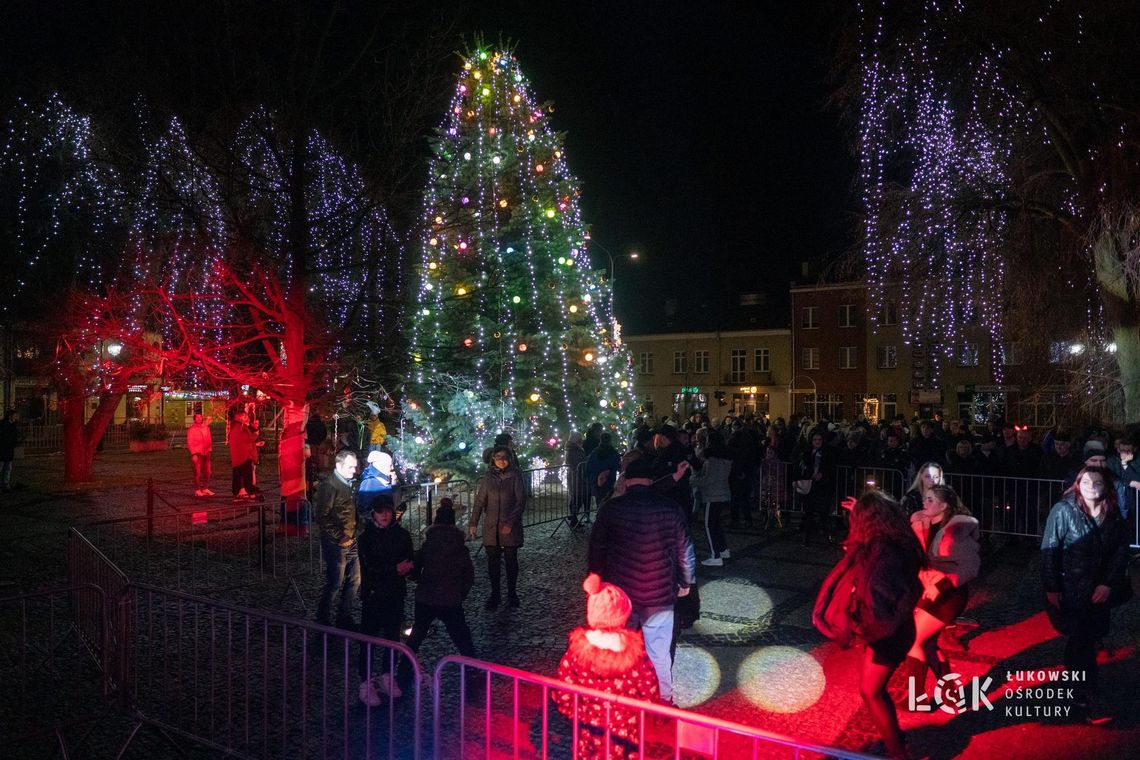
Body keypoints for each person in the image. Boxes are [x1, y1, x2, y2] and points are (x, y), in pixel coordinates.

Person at [588, 458, 696, 706]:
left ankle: (615, 697)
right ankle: (664, 699)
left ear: (626, 480)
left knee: (619, 647)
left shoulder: (612, 509)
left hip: (622, 595)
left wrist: (596, 580)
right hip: (659, 595)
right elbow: (685, 550)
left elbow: (597, 549)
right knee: (659, 652)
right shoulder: (670, 509)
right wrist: (686, 582)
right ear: (651, 480)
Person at [831, 492, 924, 759]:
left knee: (870, 691)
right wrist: (857, 512)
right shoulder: (899, 540)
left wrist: (864, 627)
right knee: (874, 689)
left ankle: (897, 751)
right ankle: (895, 739)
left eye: (860, 519)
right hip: (898, 627)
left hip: (888, 631)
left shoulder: (883, 554)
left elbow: (878, 595)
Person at [1042, 466, 1132, 724]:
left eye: (1097, 482)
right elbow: (1050, 550)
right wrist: (1051, 587)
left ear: (1106, 487)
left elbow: (1120, 551)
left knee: (1087, 637)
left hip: (1099, 591)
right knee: (1082, 640)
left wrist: (1108, 583)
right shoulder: (1063, 511)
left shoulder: (1112, 514)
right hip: (1070, 588)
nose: (1091, 486)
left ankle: (1080, 687)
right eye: (1086, 481)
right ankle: (1085, 695)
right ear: (1077, 484)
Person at [552, 573, 659, 759]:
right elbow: (650, 691)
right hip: (625, 732)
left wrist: (574, 714)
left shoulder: (576, 654)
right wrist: (638, 715)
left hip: (588, 730)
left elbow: (563, 692)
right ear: (623, 617)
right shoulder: (636, 656)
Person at [901, 484, 980, 691]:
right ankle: (951, 693)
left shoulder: (957, 531)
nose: (924, 503)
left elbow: (970, 568)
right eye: (924, 499)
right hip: (928, 590)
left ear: (944, 505)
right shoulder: (921, 524)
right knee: (927, 643)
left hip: (949, 594)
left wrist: (942, 583)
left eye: (930, 500)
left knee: (914, 639)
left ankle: (915, 698)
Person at [398, 503, 476, 690]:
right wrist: (460, 593)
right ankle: (473, 668)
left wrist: (415, 577)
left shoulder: (428, 545)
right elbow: (469, 574)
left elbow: (415, 568)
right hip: (450, 600)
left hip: (427, 597)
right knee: (461, 636)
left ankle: (404, 668)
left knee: (417, 635)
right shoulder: (460, 547)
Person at [357, 497, 414, 706]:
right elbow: (369, 568)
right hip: (373, 596)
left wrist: (410, 569)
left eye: (387, 510)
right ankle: (365, 681)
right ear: (373, 513)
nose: (384, 514)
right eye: (380, 511)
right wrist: (394, 570)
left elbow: (409, 560)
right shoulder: (366, 539)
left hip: (395, 594)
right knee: (368, 639)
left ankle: (387, 675)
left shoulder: (402, 535)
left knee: (392, 637)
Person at [470, 446, 526, 609]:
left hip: (509, 526)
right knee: (492, 562)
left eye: (505, 456)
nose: (502, 460)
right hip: (491, 526)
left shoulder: (515, 476)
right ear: (493, 459)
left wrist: (510, 522)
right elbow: (480, 501)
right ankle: (495, 594)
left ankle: (512, 593)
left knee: (510, 560)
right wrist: (473, 522)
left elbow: (520, 501)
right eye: (498, 456)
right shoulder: (488, 478)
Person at [314, 449, 361, 629]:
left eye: (355, 467)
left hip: (350, 538)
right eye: (350, 467)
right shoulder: (330, 486)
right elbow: (321, 516)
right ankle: (323, 617)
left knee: (355, 579)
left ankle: (344, 616)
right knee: (335, 581)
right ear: (338, 466)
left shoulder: (347, 483)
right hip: (337, 542)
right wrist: (339, 536)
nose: (354, 471)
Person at [690, 431, 732, 566]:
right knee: (716, 524)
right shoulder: (725, 459)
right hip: (722, 494)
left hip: (713, 495)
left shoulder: (713, 461)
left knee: (709, 525)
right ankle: (723, 549)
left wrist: (693, 480)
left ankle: (715, 555)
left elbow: (709, 479)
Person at [796, 431, 836, 546]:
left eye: (819, 440)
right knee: (809, 512)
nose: (817, 442)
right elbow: (801, 466)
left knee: (824, 512)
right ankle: (807, 537)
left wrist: (822, 474)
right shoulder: (807, 453)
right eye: (815, 440)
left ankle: (826, 535)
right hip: (810, 485)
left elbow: (831, 468)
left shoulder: (827, 453)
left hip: (823, 486)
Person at [584, 432, 620, 513]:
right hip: (609, 479)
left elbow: (589, 465)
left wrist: (587, 475)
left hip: (596, 480)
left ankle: (600, 517)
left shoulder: (595, 452)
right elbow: (617, 465)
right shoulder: (613, 453)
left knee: (599, 500)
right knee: (608, 499)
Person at [228, 410, 258, 501]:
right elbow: (250, 438)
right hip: (244, 455)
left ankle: (237, 493)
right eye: (244, 416)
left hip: (237, 456)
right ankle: (250, 492)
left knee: (237, 476)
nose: (246, 418)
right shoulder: (241, 427)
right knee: (247, 476)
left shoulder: (234, 427)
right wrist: (255, 431)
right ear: (239, 417)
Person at [357, 449, 396, 520]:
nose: (392, 468)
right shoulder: (369, 483)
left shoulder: (382, 481)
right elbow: (364, 510)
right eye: (390, 465)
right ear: (382, 466)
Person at [564, 431, 589, 528]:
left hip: (578, 477)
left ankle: (574, 518)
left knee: (577, 497)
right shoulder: (572, 450)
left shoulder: (574, 448)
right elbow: (577, 464)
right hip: (577, 477)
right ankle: (574, 520)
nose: (581, 441)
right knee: (577, 498)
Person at [186, 413, 214, 497]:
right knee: (197, 472)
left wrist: (209, 449)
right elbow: (190, 442)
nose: (199, 418)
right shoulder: (192, 429)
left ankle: (205, 488)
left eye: (200, 417)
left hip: (206, 452)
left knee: (207, 472)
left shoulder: (206, 428)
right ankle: (197, 489)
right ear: (194, 419)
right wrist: (193, 453)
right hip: (197, 452)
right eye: (197, 417)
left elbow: (209, 439)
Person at [0, 409, 21, 492]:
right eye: (15, 416)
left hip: (8, 450)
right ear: (10, 416)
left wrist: (15, 443)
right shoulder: (4, 425)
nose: (16, 417)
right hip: (2, 450)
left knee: (7, 469)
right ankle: (4, 485)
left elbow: (13, 437)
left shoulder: (13, 425)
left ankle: (6, 485)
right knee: (2, 468)